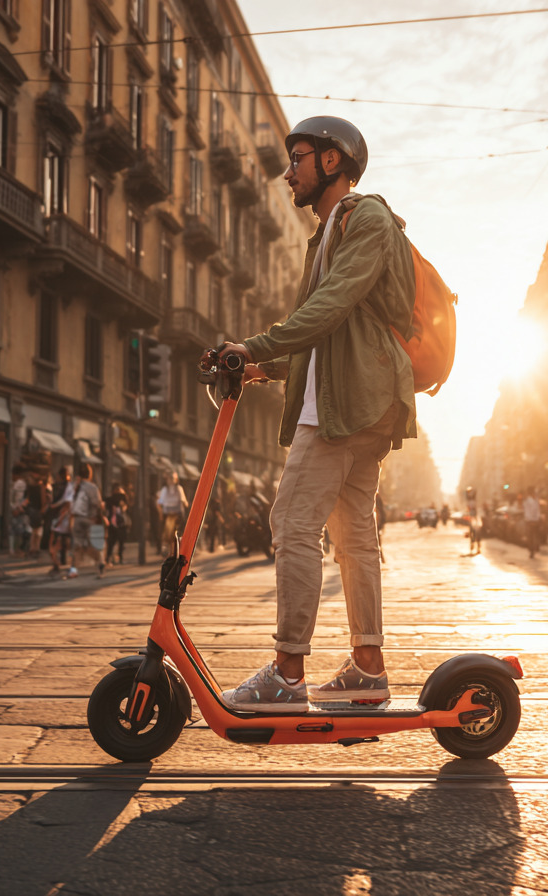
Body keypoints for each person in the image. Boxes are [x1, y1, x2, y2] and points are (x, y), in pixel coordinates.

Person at [203, 116, 416, 712]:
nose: (287, 171)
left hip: (348, 407)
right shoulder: (325, 235)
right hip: (353, 401)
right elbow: (321, 333)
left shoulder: (365, 217)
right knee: (353, 537)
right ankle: (367, 669)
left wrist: (257, 344)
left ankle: (287, 672)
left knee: (293, 523)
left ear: (331, 161)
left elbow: (332, 305)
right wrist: (260, 368)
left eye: (297, 157)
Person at [68, 462, 105, 577]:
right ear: (89, 475)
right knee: (90, 544)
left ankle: (74, 570)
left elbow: (70, 503)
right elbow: (97, 504)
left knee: (78, 545)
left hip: (77, 518)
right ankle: (99, 564)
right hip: (90, 519)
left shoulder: (74, 485)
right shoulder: (92, 487)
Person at [156, 470, 189, 557]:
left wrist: (185, 503)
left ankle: (176, 550)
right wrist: (160, 514)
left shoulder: (179, 489)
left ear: (175, 480)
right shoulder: (164, 490)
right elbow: (159, 503)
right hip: (167, 514)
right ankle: (167, 549)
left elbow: (184, 501)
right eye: (169, 479)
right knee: (167, 533)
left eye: (172, 479)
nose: (170, 480)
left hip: (177, 514)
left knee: (177, 533)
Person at [105, 482, 129, 566]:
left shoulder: (122, 499)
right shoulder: (110, 500)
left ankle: (120, 557)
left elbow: (126, 505)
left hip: (121, 522)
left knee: (121, 541)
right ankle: (108, 558)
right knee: (112, 542)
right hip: (113, 522)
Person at [9, 465, 31, 557]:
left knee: (14, 531)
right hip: (22, 509)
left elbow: (16, 498)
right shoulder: (25, 483)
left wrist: (16, 508)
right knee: (22, 531)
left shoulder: (18, 483)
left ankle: (15, 551)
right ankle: (19, 551)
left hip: (18, 510)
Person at [522, 486, 543, 559]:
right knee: (532, 536)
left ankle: (533, 549)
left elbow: (537, 510)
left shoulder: (533, 500)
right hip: (532, 520)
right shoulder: (529, 500)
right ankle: (532, 549)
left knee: (533, 536)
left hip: (533, 520)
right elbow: (532, 511)